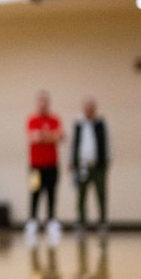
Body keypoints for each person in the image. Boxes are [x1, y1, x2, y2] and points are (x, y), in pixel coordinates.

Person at [26, 90, 63, 245]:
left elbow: (59, 136)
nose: (43, 104)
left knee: (51, 193)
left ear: (48, 103)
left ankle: (52, 221)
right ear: (37, 103)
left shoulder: (55, 119)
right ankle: (33, 222)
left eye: (45, 101)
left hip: (52, 165)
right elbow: (32, 137)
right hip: (35, 166)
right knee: (35, 193)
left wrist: (44, 135)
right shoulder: (32, 119)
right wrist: (49, 135)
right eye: (40, 101)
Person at [71, 96, 110, 232]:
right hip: (82, 165)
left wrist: (105, 161)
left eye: (91, 107)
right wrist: (73, 161)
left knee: (101, 194)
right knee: (81, 195)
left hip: (98, 165)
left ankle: (102, 222)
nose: (88, 110)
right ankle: (81, 222)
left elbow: (106, 144)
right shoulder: (78, 124)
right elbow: (74, 144)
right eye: (86, 107)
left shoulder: (100, 124)